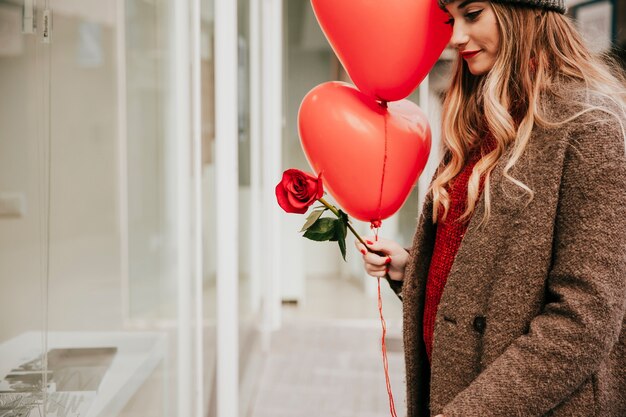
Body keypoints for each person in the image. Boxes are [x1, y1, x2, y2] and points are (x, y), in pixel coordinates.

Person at [355, 0, 626, 416]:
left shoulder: (590, 124)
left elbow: (583, 318)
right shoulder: (482, 113)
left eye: (474, 13)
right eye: (450, 18)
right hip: (454, 392)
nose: (456, 36)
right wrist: (412, 272)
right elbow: (490, 276)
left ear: (526, 11)